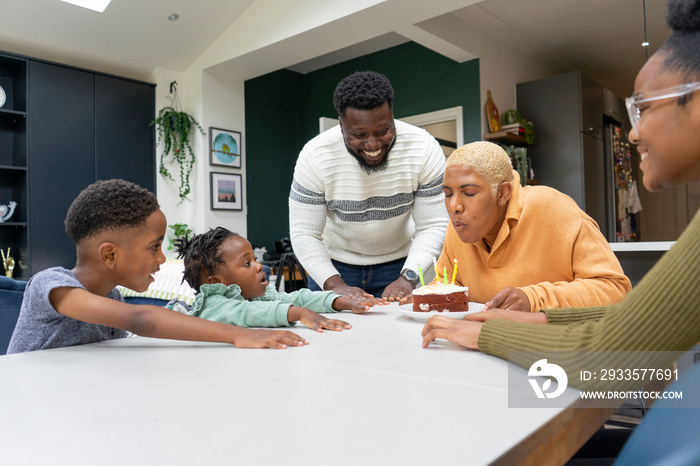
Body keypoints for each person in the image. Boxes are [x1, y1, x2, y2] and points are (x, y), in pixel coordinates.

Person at [421, 0, 700, 390]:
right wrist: (535, 316)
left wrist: (487, 334)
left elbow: (611, 348)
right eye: (448, 194)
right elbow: (627, 325)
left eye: (644, 108)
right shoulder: (456, 232)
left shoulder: (552, 208)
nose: (634, 133)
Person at [7, 180, 308, 354]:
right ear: (109, 255)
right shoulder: (49, 285)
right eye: (154, 246)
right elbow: (141, 319)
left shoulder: (111, 297)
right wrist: (235, 334)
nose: (162, 259)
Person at [408, 141, 631, 312]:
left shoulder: (553, 209)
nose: (454, 206)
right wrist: (429, 298)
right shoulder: (459, 225)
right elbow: (450, 284)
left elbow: (614, 289)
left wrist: (533, 300)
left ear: (503, 193)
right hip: (484, 352)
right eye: (447, 194)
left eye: (469, 193)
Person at [289, 71, 449, 301]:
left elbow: (434, 224)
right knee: (330, 335)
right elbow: (304, 233)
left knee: (404, 335)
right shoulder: (315, 156)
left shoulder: (423, 148)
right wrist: (334, 285)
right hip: (333, 268)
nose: (373, 144)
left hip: (402, 265)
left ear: (393, 116)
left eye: (383, 131)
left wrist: (409, 277)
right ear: (341, 127)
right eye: (359, 135)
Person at [175, 227, 385, 330]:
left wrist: (342, 302)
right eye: (247, 264)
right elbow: (248, 314)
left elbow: (298, 298)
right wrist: (299, 314)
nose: (259, 266)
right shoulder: (214, 306)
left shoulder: (256, 295)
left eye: (254, 259)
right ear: (216, 282)